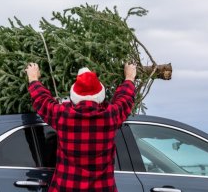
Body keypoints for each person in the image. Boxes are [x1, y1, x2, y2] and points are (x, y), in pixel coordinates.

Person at [25, 62, 136, 192]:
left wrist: (33, 78)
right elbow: (125, 99)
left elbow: (42, 100)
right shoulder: (110, 116)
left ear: (74, 96)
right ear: (100, 95)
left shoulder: (63, 115)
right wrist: (129, 78)